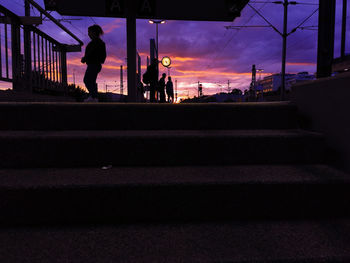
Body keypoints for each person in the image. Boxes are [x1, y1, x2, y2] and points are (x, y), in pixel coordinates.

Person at [81, 24, 106, 102]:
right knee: (91, 81)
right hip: (95, 64)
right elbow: (103, 56)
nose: (88, 34)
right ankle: (94, 97)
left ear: (94, 32)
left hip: (93, 64)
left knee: (87, 80)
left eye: (89, 32)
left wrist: (85, 59)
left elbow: (91, 53)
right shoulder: (99, 42)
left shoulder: (95, 43)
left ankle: (93, 96)